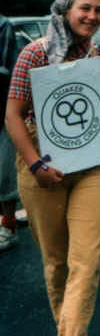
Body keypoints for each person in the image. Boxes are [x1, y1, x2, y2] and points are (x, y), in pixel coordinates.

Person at [5, 0, 100, 336]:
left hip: (91, 164)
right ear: (66, 10)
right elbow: (13, 115)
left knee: (87, 262)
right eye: (85, 8)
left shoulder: (99, 55)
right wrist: (35, 164)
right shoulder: (34, 54)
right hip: (42, 163)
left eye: (98, 10)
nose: (92, 16)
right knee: (56, 264)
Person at [0, 14, 21, 250]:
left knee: (5, 175)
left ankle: (9, 226)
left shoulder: (3, 26)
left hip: (4, 108)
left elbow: (4, 72)